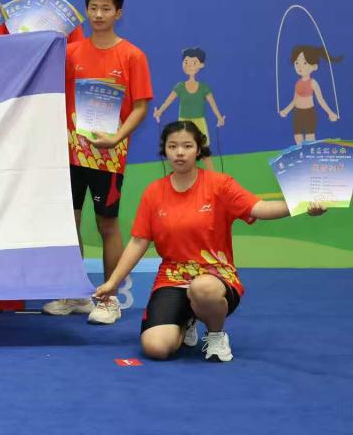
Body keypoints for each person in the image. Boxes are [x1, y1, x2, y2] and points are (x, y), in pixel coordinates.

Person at [94, 121, 326, 362]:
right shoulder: (153, 192)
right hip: (172, 278)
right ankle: (186, 320)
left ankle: (215, 335)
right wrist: (113, 282)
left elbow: (260, 208)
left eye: (187, 146)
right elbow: (138, 242)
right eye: (173, 146)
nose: (180, 152)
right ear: (165, 150)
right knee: (156, 348)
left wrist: (301, 205)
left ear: (198, 150)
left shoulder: (220, 185)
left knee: (202, 288)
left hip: (215, 278)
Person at [44, 0, 153, 324]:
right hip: (70, 152)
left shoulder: (132, 55)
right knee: (70, 222)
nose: (99, 14)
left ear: (118, 13)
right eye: (93, 8)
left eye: (106, 9)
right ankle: (75, 293)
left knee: (107, 223)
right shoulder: (71, 53)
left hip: (109, 155)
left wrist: (117, 136)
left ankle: (109, 298)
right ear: (86, 11)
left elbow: (140, 106)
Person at [153, 47, 226, 169]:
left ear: (201, 65)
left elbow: (213, 104)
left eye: (193, 62)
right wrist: (159, 112)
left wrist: (219, 118)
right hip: (184, 123)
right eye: (186, 62)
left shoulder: (204, 88)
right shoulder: (180, 87)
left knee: (204, 151)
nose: (189, 66)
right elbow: (168, 101)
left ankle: (214, 176)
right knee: (183, 150)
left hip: (199, 123)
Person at [279, 45, 341, 145]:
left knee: (310, 137)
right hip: (297, 113)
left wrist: (330, 113)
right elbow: (294, 100)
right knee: (297, 137)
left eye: (304, 63)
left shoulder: (313, 83)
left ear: (314, 66)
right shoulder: (298, 83)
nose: (300, 66)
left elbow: (320, 100)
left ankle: (312, 154)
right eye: (297, 63)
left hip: (309, 113)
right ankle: (301, 153)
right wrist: (286, 111)